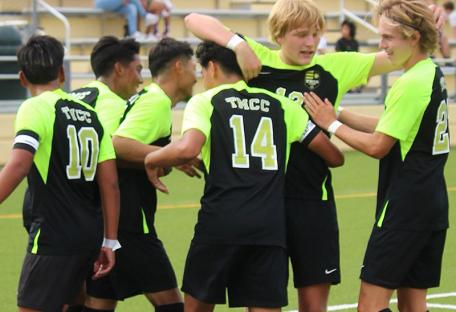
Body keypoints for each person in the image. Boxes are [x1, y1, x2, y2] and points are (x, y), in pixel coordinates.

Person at [183, 1, 445, 311]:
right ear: (279, 34)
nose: (311, 43)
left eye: (316, 34)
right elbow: (192, 18)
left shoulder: (335, 66)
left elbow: (397, 53)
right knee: (263, 302)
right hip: (265, 205)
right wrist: (238, 44)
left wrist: (424, 28)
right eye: (301, 34)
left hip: (312, 203)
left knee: (313, 305)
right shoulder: (258, 59)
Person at [144, 41, 344, 312]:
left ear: (212, 68)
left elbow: (187, 148)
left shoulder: (205, 102)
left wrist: (151, 158)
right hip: (269, 227)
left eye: (203, 72)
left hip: (220, 223)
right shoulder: (282, 105)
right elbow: (334, 157)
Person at [304, 1, 449, 311]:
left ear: (412, 37)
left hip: (404, 209)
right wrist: (337, 112)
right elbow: (393, 126)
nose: (382, 46)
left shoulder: (410, 83)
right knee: (413, 304)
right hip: (431, 205)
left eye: (388, 38)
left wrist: (331, 124)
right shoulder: (430, 72)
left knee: (370, 305)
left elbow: (378, 145)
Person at [0, 35, 120, 312]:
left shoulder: (34, 107)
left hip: (53, 236)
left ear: (21, 78)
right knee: (73, 303)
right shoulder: (91, 114)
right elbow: (110, 183)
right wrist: (110, 241)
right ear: (62, 73)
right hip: (89, 237)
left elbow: (19, 164)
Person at [82, 38, 198, 312]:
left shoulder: (150, 100)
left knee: (99, 303)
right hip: (131, 223)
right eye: (194, 66)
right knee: (170, 304)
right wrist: (170, 155)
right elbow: (117, 145)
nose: (198, 74)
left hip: (111, 220)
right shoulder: (155, 102)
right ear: (179, 67)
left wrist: (167, 157)